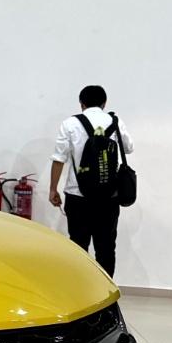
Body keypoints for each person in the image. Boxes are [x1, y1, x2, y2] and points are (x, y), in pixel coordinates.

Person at [49, 84, 134, 277]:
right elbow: (129, 147)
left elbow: (59, 159)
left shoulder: (70, 124)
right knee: (106, 247)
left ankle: (80, 290)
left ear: (82, 104)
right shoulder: (115, 122)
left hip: (77, 195)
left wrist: (53, 189)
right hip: (109, 197)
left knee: (78, 246)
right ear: (104, 103)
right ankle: (105, 292)